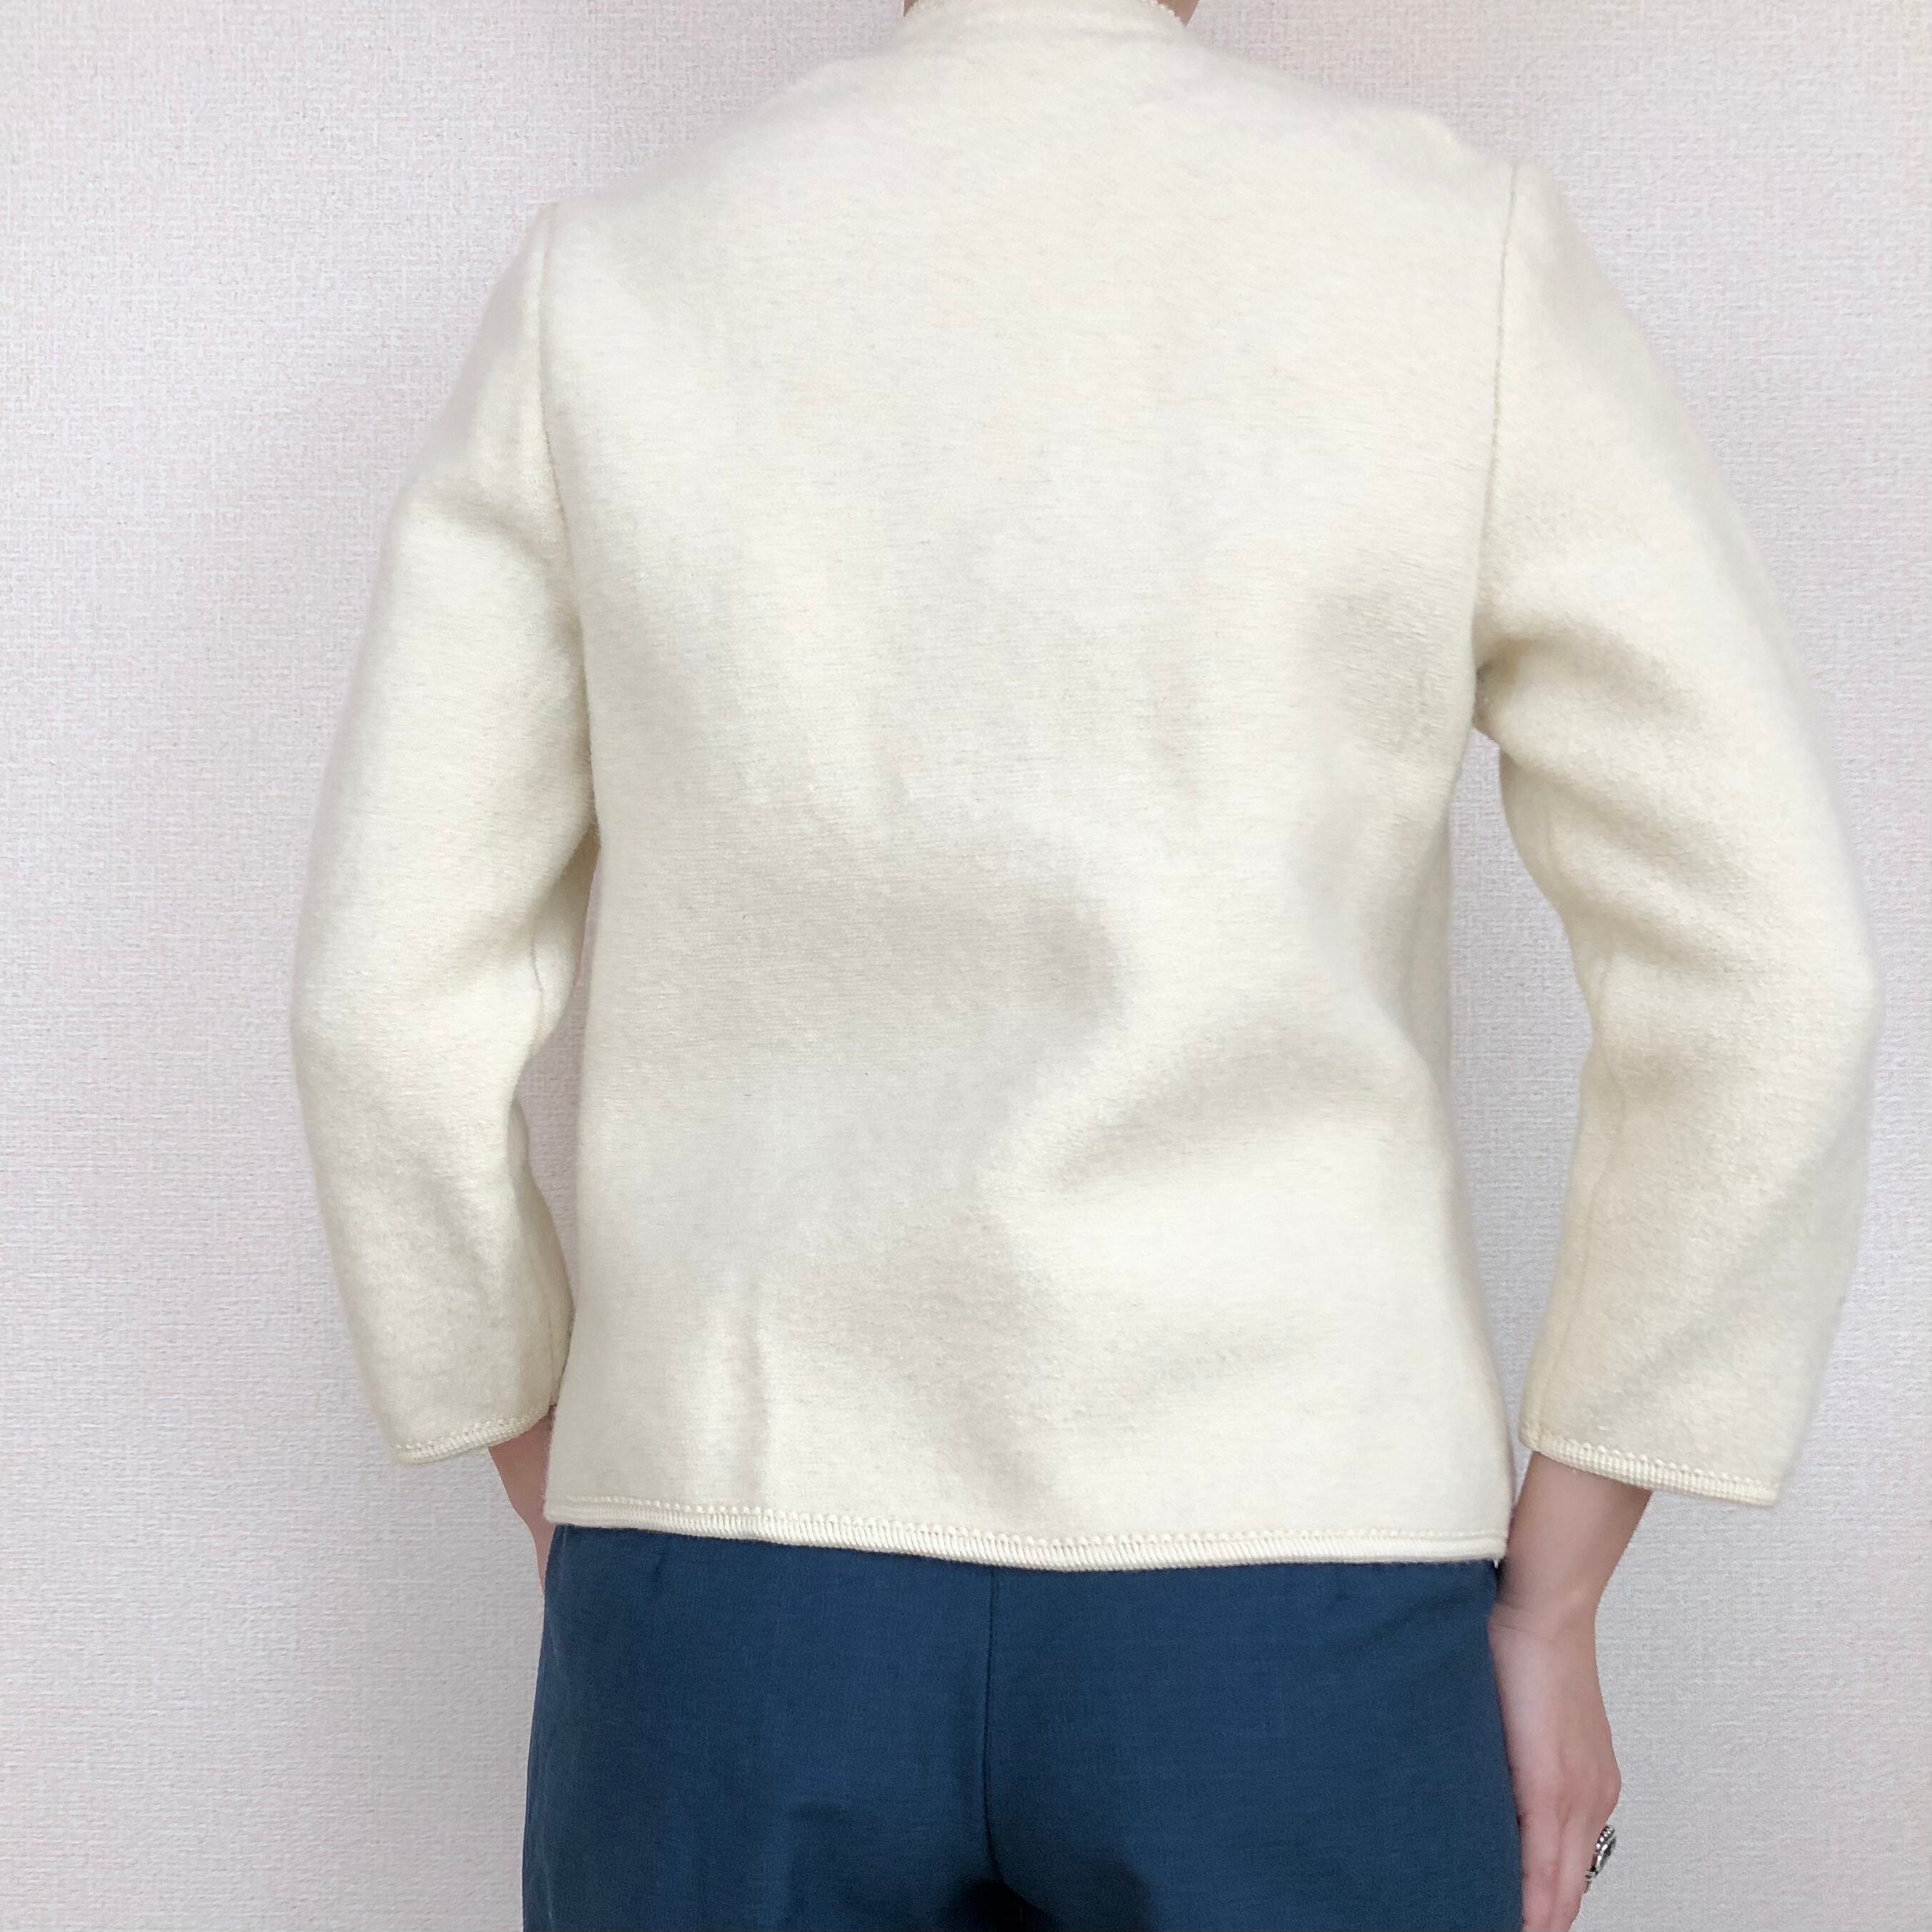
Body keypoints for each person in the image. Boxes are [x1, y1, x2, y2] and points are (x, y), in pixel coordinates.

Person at [286, 0, 1881, 1927]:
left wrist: (577, 1482)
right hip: (1291, 1579)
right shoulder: (1450, 265)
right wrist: (1556, 1588)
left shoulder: (611, 293)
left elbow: (382, 1011)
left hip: (728, 1561)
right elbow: (1770, 966)